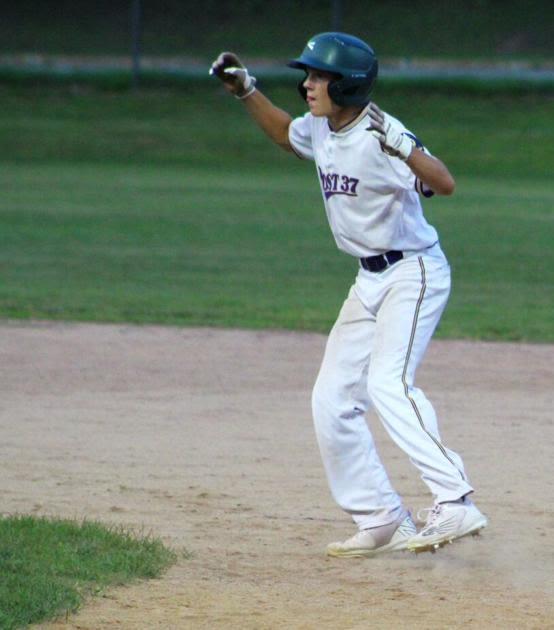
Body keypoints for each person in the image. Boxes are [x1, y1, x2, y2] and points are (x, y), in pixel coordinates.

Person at [209, 32, 486, 557]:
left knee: (387, 382)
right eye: (307, 74)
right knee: (331, 398)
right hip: (368, 279)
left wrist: (404, 146)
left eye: (318, 76)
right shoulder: (321, 126)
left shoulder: (381, 131)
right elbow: (288, 138)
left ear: (349, 85)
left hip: (414, 272)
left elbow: (444, 182)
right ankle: (381, 515)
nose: (307, 83)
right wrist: (246, 90)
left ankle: (455, 500)